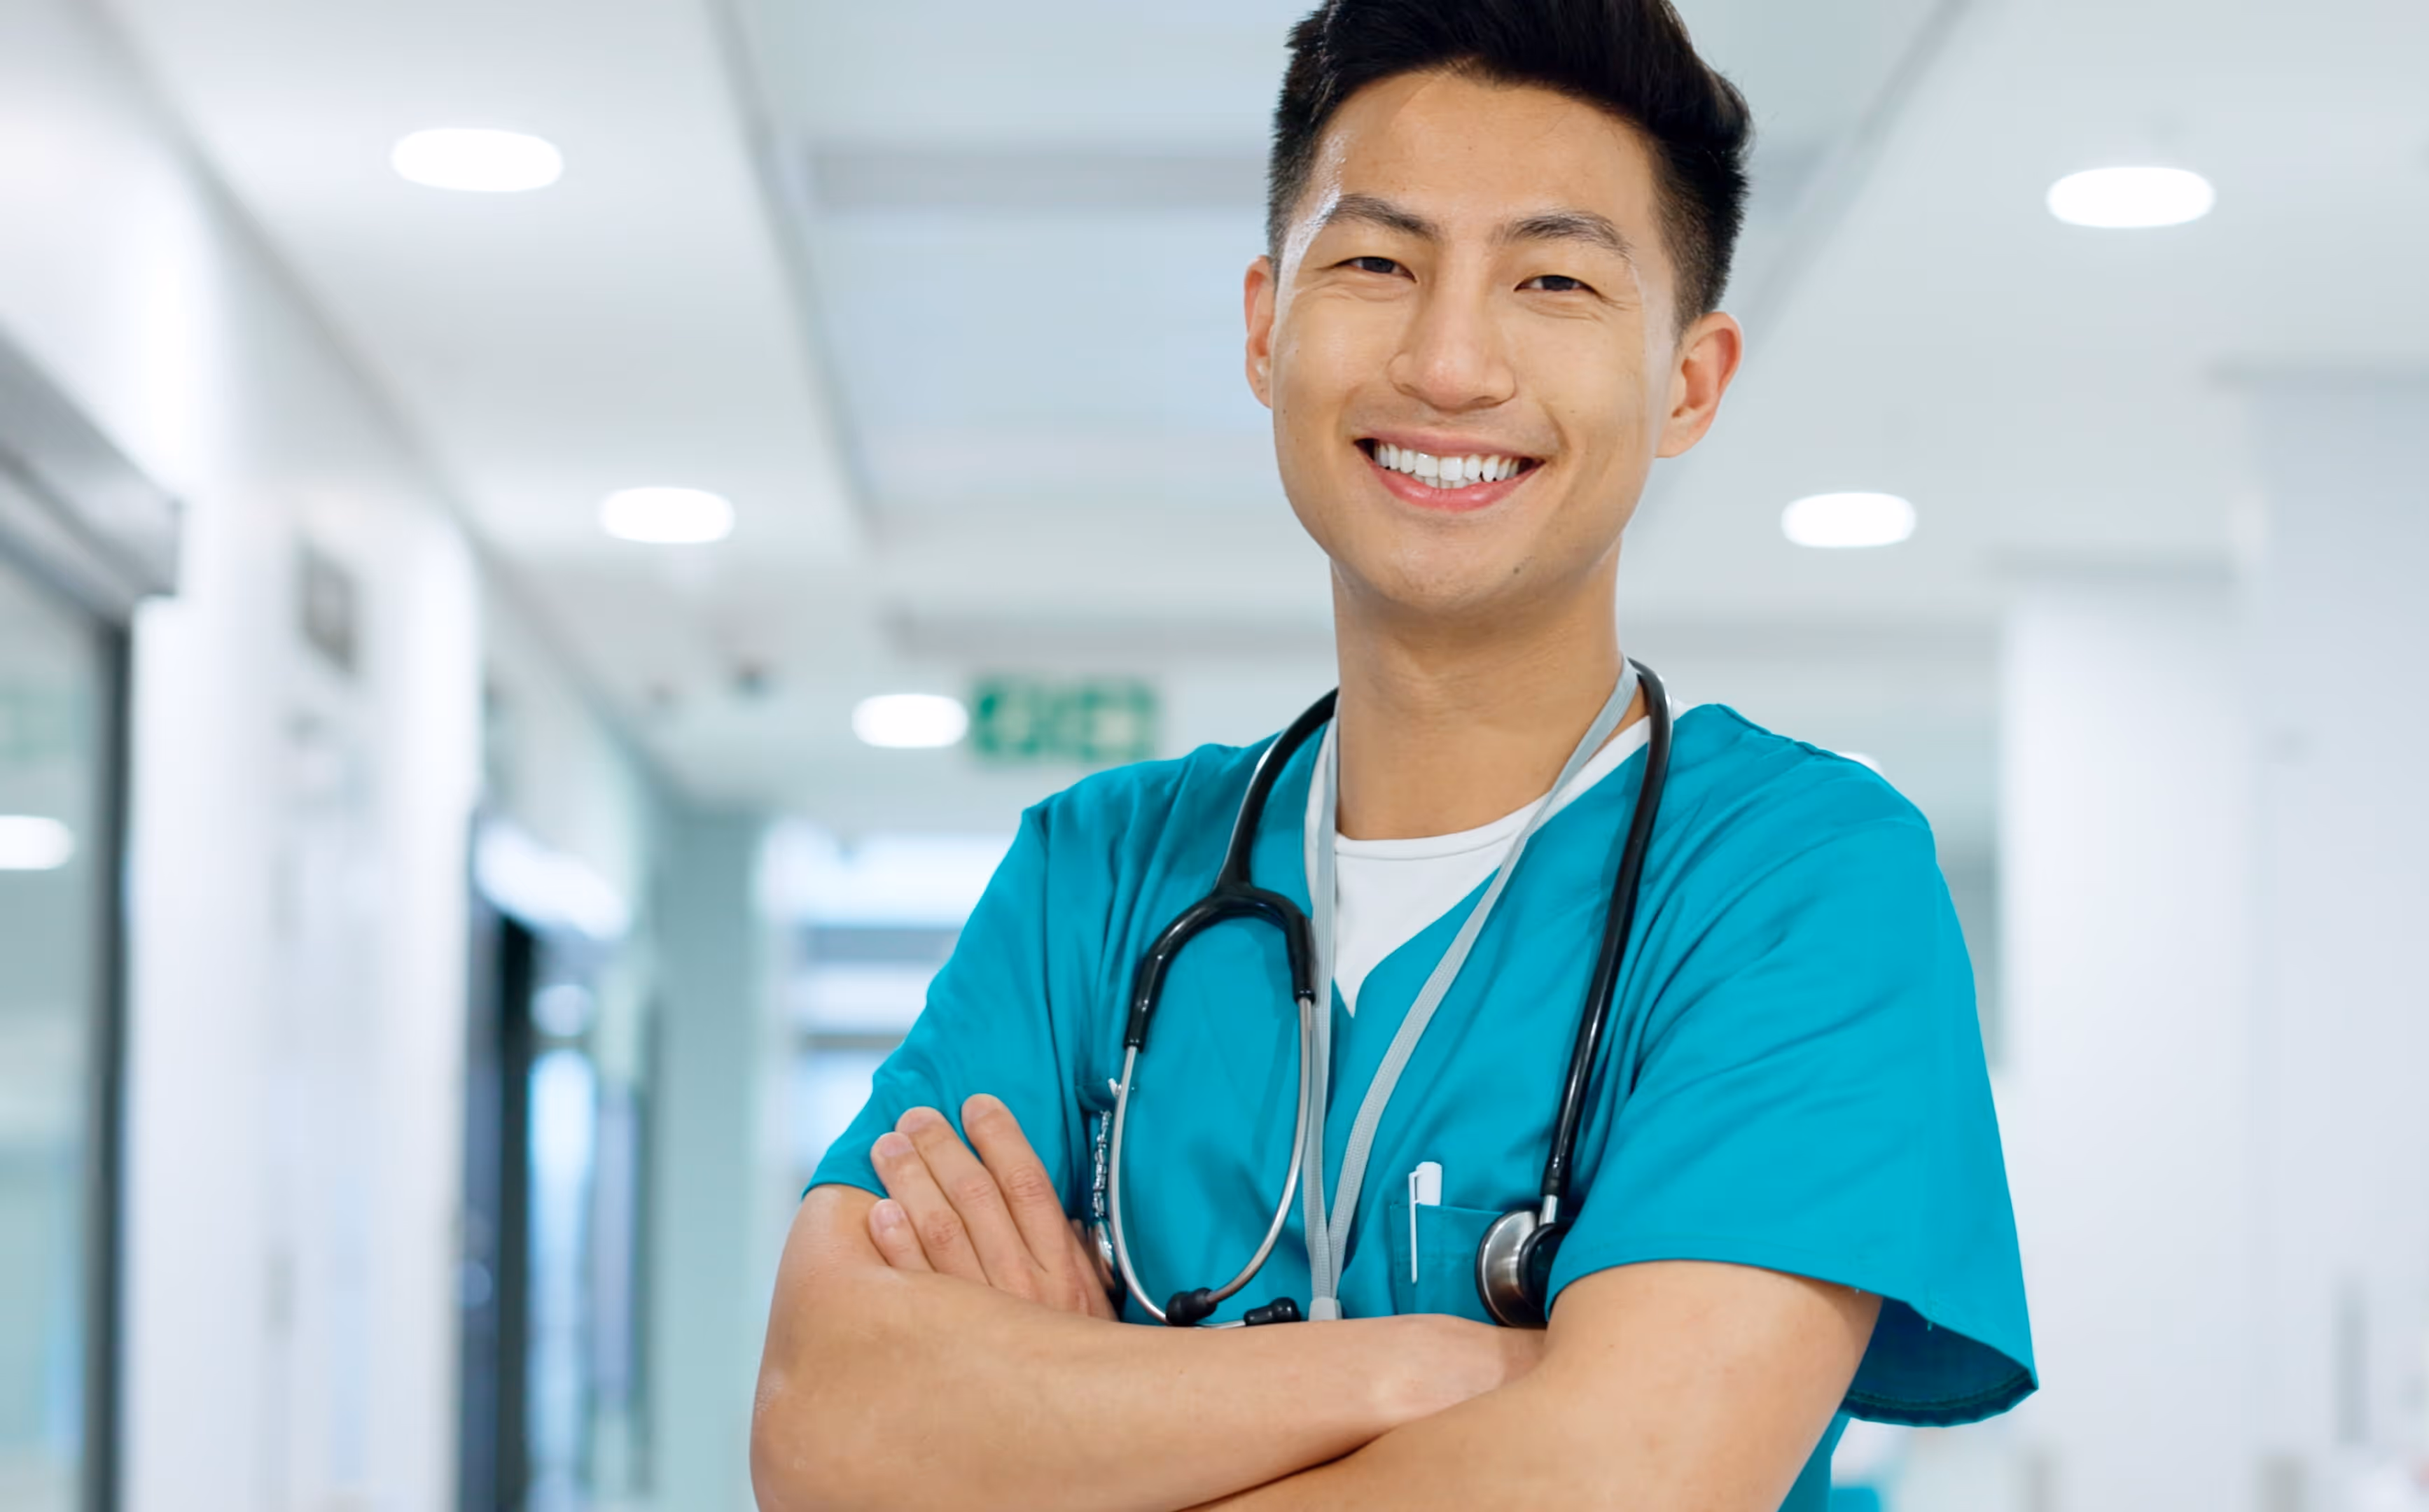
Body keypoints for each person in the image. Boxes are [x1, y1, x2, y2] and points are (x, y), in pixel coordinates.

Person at [752, 1, 2034, 1506]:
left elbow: (1627, 1480)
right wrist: (1445, 1370)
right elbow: (827, 1430)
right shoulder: (1093, 881)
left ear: (1687, 380)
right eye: (1375, 263)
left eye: (1551, 279)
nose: (1446, 361)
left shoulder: (1796, 885)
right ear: (1261, 323)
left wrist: (1082, 1421)